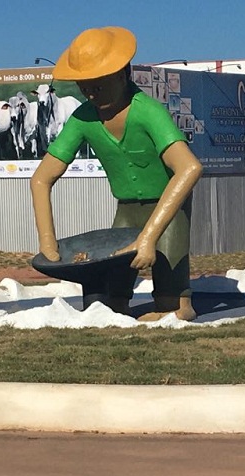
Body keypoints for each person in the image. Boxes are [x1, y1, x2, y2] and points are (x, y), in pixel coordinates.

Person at [30, 26, 203, 321]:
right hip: (126, 208)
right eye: (84, 85)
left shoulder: (147, 111)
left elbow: (188, 168)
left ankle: (174, 299)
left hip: (168, 206)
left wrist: (149, 237)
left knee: (170, 294)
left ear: (123, 73)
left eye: (99, 82)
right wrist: (48, 242)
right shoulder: (83, 118)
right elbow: (40, 179)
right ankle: (119, 299)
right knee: (113, 293)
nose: (90, 92)